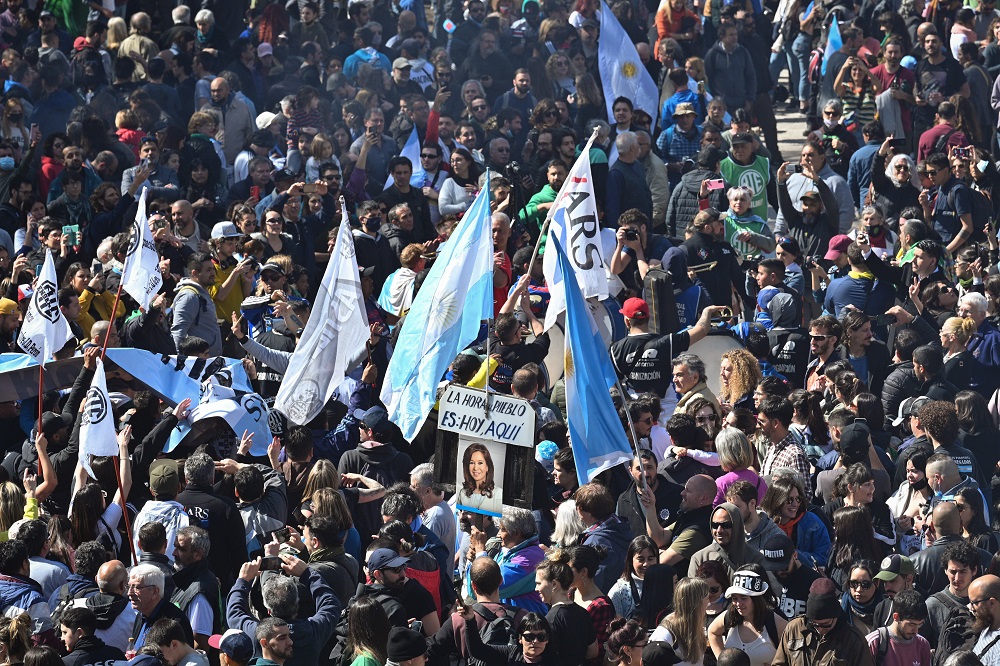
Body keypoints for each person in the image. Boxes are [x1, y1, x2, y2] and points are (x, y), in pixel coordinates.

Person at [772, 577, 875, 666]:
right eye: (814, 624)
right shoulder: (794, 629)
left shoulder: (854, 641)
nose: (820, 629)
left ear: (836, 616)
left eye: (826, 624)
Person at [707, 567, 787, 666]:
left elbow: (794, 652)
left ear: (756, 599)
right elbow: (712, 632)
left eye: (744, 598)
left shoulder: (775, 622)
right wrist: (722, 660)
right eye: (735, 598)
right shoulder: (729, 616)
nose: (738, 603)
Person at [865, 588, 930, 666]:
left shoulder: (923, 645)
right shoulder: (874, 643)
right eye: (911, 624)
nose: (916, 631)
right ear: (896, 617)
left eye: (920, 624)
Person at [456, 443, 501, 517]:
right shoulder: (462, 493)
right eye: (472, 463)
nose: (475, 468)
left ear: (487, 467)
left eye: (480, 463)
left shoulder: (498, 493)